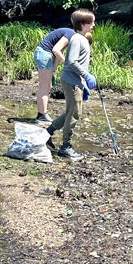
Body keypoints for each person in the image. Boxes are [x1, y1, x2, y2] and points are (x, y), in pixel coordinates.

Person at [45, 9, 97, 161]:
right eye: (91, 22)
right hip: (71, 81)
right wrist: (86, 76)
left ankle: (48, 132)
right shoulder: (76, 39)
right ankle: (65, 147)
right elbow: (71, 62)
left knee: (71, 112)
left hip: (76, 81)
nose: (93, 25)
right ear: (82, 24)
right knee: (74, 114)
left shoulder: (82, 39)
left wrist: (84, 82)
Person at [33, 25, 74, 125]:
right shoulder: (71, 34)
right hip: (44, 55)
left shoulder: (71, 36)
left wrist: (53, 72)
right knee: (45, 87)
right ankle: (42, 116)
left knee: (48, 86)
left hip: (44, 55)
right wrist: (67, 63)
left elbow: (59, 52)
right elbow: (56, 50)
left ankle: (42, 114)